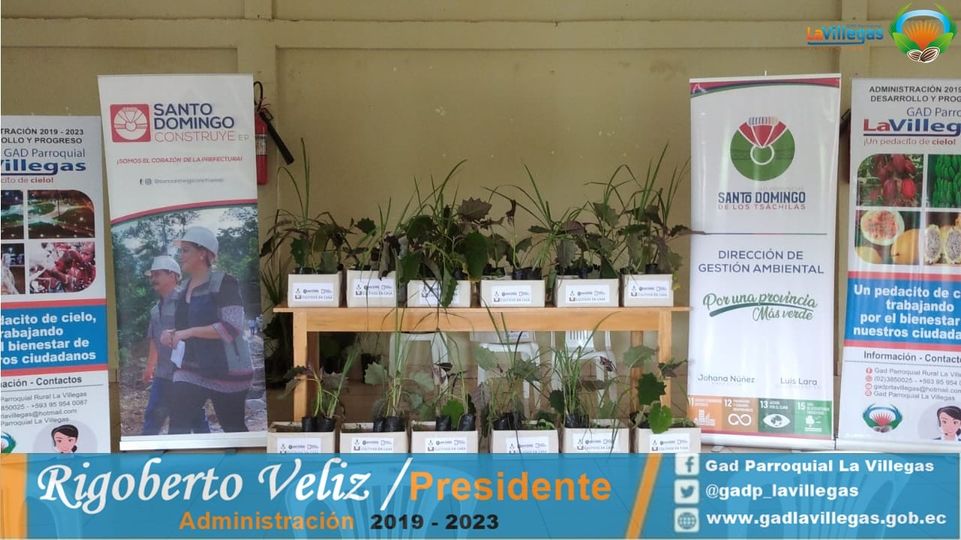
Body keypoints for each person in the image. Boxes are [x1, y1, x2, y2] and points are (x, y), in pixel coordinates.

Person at [162, 226, 253, 433]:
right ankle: (181, 456)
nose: (180, 255)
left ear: (203, 253)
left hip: (227, 370)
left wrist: (188, 332)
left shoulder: (225, 283)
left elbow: (232, 327)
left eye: (186, 250)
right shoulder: (183, 289)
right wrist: (172, 333)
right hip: (191, 368)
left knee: (233, 429)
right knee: (177, 425)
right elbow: (185, 327)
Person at [141, 255, 209, 435]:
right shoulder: (155, 310)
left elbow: (200, 331)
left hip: (187, 374)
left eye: (157, 274)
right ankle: (146, 451)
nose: (153, 279)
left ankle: (211, 450)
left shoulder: (186, 301)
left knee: (194, 418)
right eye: (151, 275)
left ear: (172, 276)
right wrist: (150, 367)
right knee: (153, 417)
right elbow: (154, 339)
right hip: (163, 375)